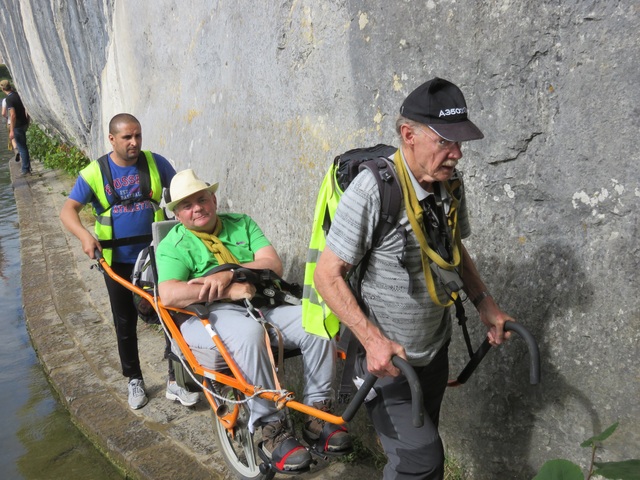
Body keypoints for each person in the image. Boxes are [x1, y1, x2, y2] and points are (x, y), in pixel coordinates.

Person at [314, 77, 515, 480]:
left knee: (427, 455)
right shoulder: (373, 189)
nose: (457, 154)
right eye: (446, 142)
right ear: (409, 135)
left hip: (433, 352)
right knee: (420, 463)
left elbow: (454, 251)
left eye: (459, 143)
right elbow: (327, 275)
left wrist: (486, 305)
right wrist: (373, 342)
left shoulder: (449, 184)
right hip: (387, 364)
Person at [155, 169, 351, 472]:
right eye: (187, 205)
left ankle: (318, 415)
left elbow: (272, 264)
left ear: (213, 198)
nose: (197, 209)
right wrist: (228, 291)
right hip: (207, 316)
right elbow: (168, 294)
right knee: (249, 333)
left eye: (202, 199)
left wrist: (231, 273)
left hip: (263, 304)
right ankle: (270, 427)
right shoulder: (173, 245)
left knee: (317, 319)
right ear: (178, 213)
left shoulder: (241, 223)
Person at [60, 113, 197, 410]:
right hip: (117, 261)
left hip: (157, 255)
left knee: (169, 314)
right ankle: (134, 378)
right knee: (125, 320)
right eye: (127, 137)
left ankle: (176, 380)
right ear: (112, 139)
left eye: (138, 136)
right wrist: (85, 236)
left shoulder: (155, 162)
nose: (134, 143)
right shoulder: (94, 173)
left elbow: (181, 193)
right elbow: (68, 211)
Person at [1, 79, 30, 175]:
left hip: (17, 125)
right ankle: (27, 167)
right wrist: (28, 120)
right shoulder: (18, 94)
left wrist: (11, 130)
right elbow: (26, 107)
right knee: (23, 146)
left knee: (22, 147)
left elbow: (12, 115)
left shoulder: (9, 99)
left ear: (2, 88)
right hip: (24, 122)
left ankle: (25, 169)